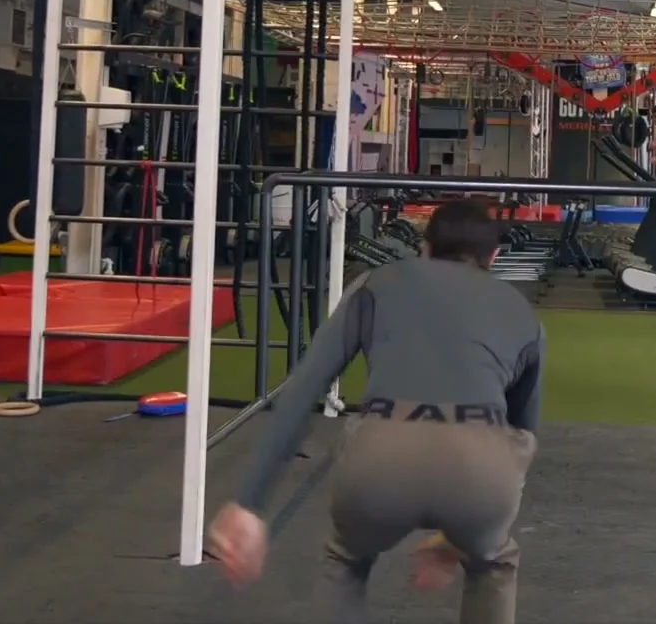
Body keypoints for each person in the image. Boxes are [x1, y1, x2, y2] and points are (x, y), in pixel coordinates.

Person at [208, 197, 546, 624]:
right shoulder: (521, 310)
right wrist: (467, 535)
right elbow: (523, 434)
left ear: (424, 247)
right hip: (481, 471)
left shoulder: (376, 283)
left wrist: (250, 504)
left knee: (346, 559)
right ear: (493, 257)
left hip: (382, 459)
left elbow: (305, 386)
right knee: (493, 562)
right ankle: (477, 544)